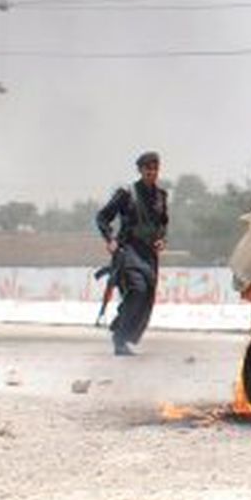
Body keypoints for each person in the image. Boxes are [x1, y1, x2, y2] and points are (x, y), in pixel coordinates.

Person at [95, 151, 169, 356]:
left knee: (147, 296)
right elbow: (102, 217)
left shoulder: (161, 196)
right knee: (137, 289)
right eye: (147, 169)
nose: (151, 173)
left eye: (155, 169)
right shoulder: (126, 193)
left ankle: (123, 334)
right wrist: (109, 239)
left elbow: (162, 223)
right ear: (140, 170)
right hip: (128, 249)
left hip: (149, 254)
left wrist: (162, 238)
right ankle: (119, 338)